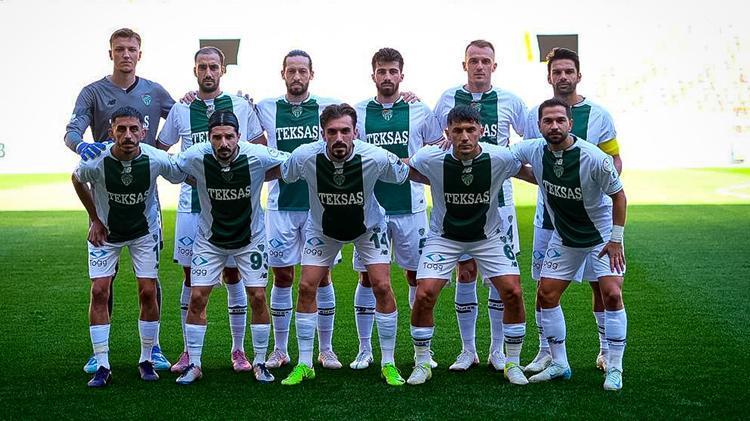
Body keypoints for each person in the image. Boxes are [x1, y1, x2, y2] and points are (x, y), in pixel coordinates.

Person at [65, 28, 175, 373]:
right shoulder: (93, 92)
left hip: (144, 193)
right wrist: (81, 145)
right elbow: (72, 130)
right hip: (104, 192)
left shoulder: (154, 91)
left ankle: (154, 347)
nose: (126, 54)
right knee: (103, 280)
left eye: (131, 49)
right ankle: (100, 351)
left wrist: (197, 103)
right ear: (110, 52)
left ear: (140, 54)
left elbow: (183, 120)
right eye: (120, 49)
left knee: (149, 279)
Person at [278, 104, 410, 386]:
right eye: (332, 132)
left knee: (382, 286)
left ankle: (388, 363)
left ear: (355, 132)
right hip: (323, 229)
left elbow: (402, 174)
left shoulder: (376, 156)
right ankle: (304, 363)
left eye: (345, 131)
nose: (339, 138)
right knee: (306, 286)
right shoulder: (304, 156)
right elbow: (286, 174)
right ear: (322, 133)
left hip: (368, 227)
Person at [156, 46, 265, 374]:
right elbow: (161, 151)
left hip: (234, 206)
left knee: (234, 274)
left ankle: (238, 350)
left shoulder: (241, 105)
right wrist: (193, 177)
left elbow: (259, 148)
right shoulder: (181, 108)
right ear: (195, 71)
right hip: (192, 207)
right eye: (202, 67)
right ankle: (188, 351)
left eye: (213, 67)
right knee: (192, 277)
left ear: (222, 70)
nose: (208, 72)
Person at [404, 105, 530, 386]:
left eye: (470, 129)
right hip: (444, 237)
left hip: (489, 236)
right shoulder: (429, 157)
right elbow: (406, 168)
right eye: (458, 130)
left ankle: (512, 362)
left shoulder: (500, 157)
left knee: (512, 291)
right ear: (447, 132)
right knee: (424, 293)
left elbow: (528, 172)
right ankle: (422, 362)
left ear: (481, 131)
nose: (464, 136)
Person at [511, 98, 628, 391]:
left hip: (600, 235)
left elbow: (619, 196)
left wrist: (616, 240)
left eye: (560, 120)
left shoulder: (594, 157)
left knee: (612, 293)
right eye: (548, 121)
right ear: (539, 126)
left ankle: (615, 366)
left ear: (570, 124)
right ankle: (560, 363)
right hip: (564, 235)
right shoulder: (533, 149)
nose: (554, 126)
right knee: (546, 293)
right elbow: (502, 155)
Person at [71, 106, 185, 387]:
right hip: (106, 233)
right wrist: (95, 219)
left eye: (134, 129)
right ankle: (102, 364)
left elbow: (182, 172)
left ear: (143, 132)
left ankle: (146, 359)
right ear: (111, 132)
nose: (128, 135)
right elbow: (76, 178)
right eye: (121, 129)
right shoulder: (96, 160)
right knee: (99, 290)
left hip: (143, 233)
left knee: (148, 290)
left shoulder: (156, 158)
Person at [172, 111, 287, 385]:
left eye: (229, 137)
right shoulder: (196, 156)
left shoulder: (256, 154)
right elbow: (171, 168)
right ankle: (195, 364)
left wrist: (261, 177)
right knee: (197, 296)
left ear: (239, 136)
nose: (223, 143)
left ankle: (260, 362)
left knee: (257, 296)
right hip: (209, 241)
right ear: (208, 137)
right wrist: (198, 180)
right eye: (217, 137)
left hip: (250, 239)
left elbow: (289, 163)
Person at [434, 40, 527, 372]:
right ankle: (468, 350)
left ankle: (497, 350)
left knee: (499, 278)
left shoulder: (510, 100)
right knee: (466, 272)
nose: (479, 66)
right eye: (473, 60)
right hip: (458, 202)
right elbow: (429, 136)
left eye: (485, 61)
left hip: (499, 203)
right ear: (464, 65)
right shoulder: (447, 98)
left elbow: (531, 137)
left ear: (494, 66)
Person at [350, 47, 443, 370]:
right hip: (371, 208)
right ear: (373, 75)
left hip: (411, 207)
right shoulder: (359, 111)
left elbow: (437, 146)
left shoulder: (419, 109)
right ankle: (365, 349)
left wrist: (413, 161)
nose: (387, 77)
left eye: (393, 71)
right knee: (367, 277)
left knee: (416, 276)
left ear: (402, 75)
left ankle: (422, 349)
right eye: (382, 71)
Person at [254, 50, 343, 370]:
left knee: (322, 276)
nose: (296, 76)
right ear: (283, 74)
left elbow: (351, 125)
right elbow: (250, 137)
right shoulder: (265, 107)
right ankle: (280, 349)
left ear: (311, 74)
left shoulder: (328, 107)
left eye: (302, 71)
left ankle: (326, 349)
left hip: (320, 206)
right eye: (291, 71)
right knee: (282, 276)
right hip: (281, 205)